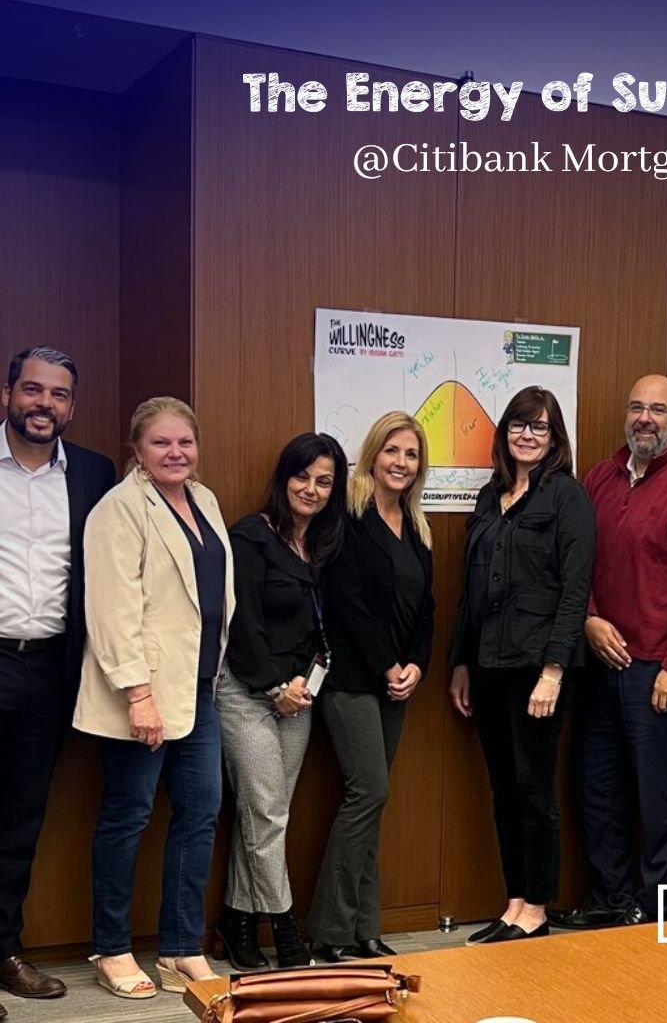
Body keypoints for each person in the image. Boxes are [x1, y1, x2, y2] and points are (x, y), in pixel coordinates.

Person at [552, 374, 667, 929]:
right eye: (636, 407)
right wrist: (589, 620)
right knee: (596, 789)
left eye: (658, 409)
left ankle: (656, 914)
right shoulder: (601, 477)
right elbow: (578, 563)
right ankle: (612, 899)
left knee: (662, 800)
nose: (644, 418)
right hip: (601, 663)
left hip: (661, 671)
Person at [74, 397, 234, 999]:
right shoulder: (118, 510)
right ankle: (111, 948)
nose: (176, 453)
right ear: (137, 449)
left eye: (185, 442)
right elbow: (112, 611)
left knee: (200, 815)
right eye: (161, 443)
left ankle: (181, 946)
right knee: (128, 817)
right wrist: (139, 695)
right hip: (141, 693)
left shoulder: (205, 500)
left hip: (200, 689)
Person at [449, 388, 594, 945]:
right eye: (518, 425)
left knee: (534, 789)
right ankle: (512, 903)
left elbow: (574, 591)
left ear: (555, 437)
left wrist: (554, 672)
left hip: (538, 668)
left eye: (540, 427)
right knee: (504, 789)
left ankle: (537, 909)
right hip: (487, 666)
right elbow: (470, 589)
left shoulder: (567, 498)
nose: (527, 435)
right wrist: (460, 661)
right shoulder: (491, 496)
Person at [0, 346, 114, 1018]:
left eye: (59, 395)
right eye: (33, 390)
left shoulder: (95, 474)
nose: (44, 403)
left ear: (72, 406)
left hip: (49, 669)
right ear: (9, 392)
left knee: (19, 819)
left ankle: (5, 946)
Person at [215, 433, 348, 970]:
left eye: (323, 481)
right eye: (302, 476)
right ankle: (288, 933)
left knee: (266, 815)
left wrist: (299, 688)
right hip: (249, 693)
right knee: (267, 815)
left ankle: (237, 921)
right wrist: (275, 686)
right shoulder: (250, 536)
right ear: (283, 476)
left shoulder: (319, 545)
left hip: (300, 697)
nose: (311, 489)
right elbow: (239, 623)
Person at [308, 411, 435, 960]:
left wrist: (416, 666)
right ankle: (330, 930)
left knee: (372, 801)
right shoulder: (349, 519)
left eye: (411, 455)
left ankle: (364, 929)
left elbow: (425, 609)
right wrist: (387, 664)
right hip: (353, 681)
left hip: (395, 684)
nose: (401, 463)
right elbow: (347, 606)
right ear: (373, 455)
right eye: (392, 452)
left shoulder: (418, 527)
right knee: (370, 792)